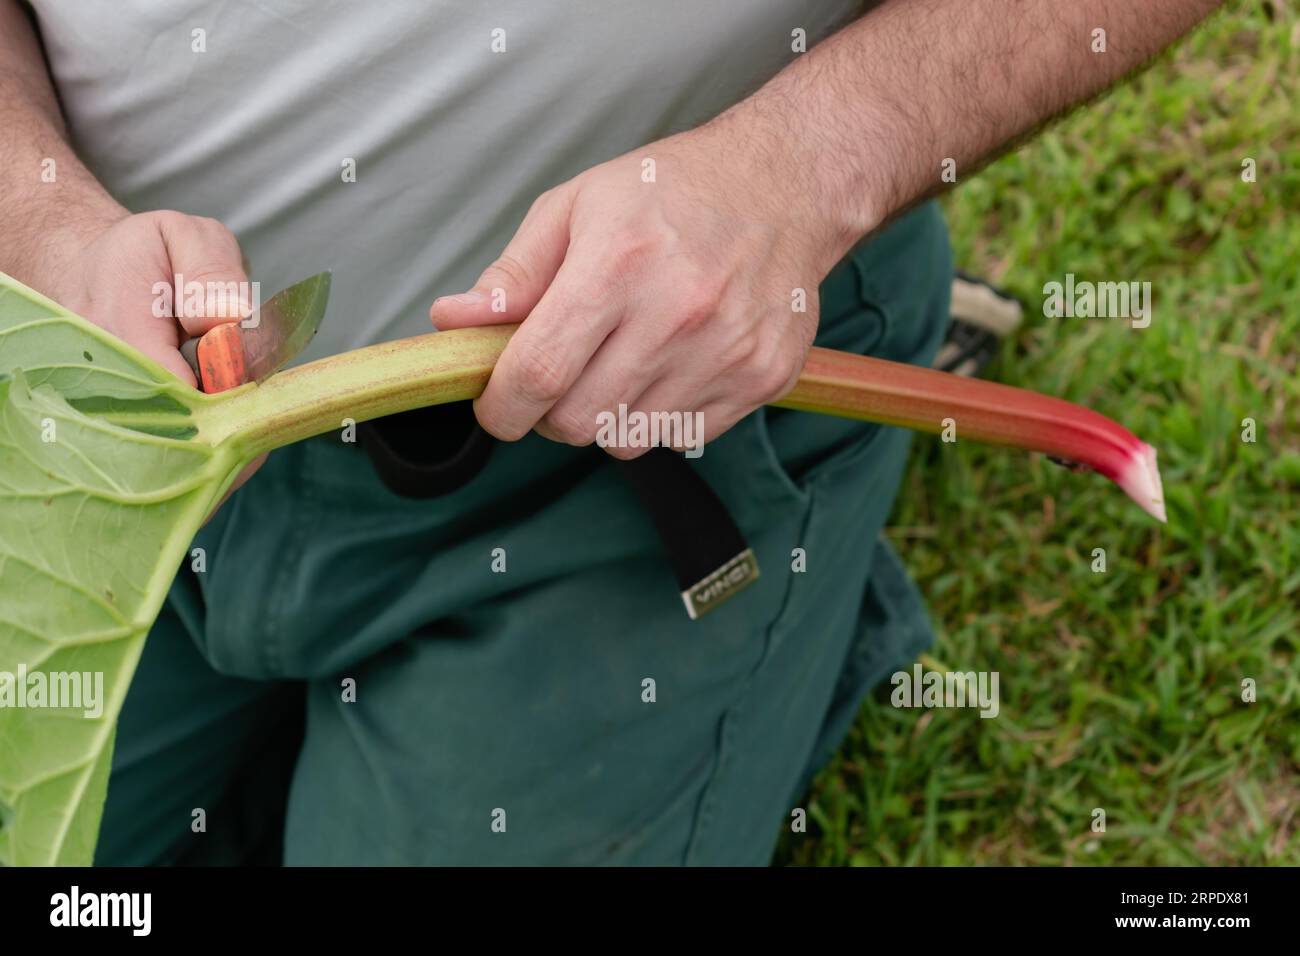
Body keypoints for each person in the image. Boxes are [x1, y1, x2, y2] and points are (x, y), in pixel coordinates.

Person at [0, 0, 1221, 865]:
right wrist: (44, 221)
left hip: (636, 433)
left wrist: (799, 175)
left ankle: (790, 561)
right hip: (91, 405)